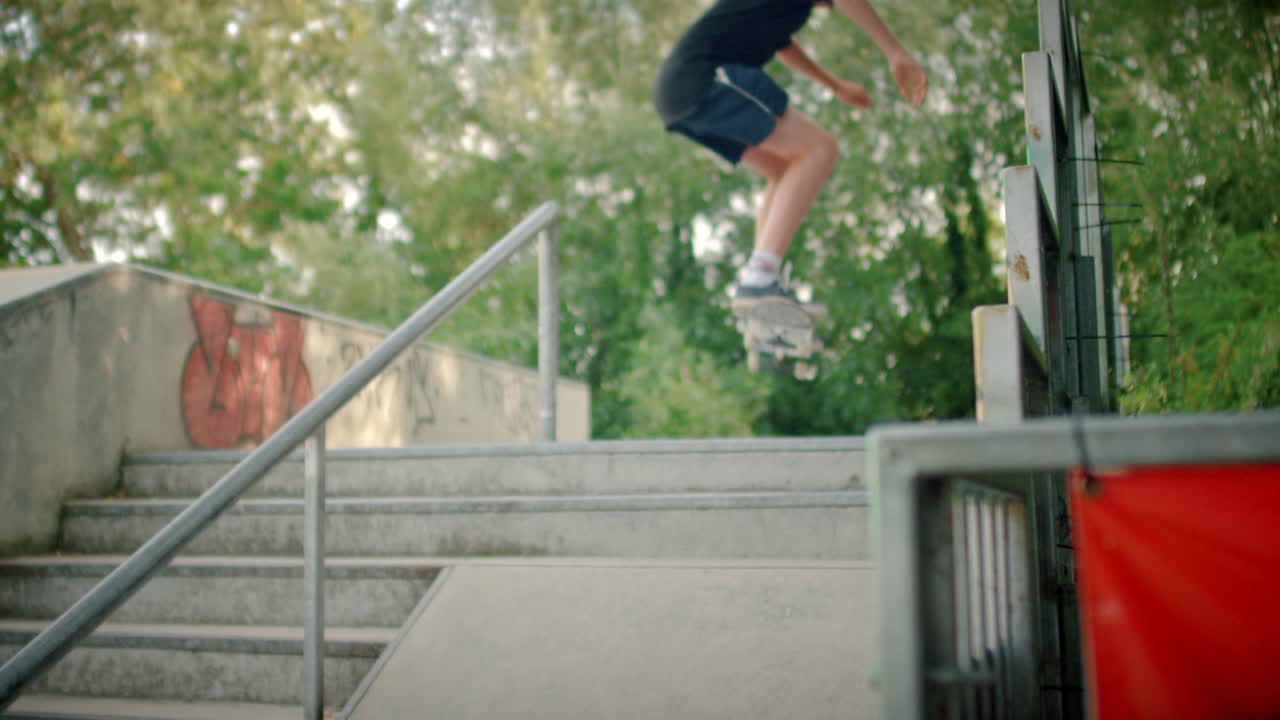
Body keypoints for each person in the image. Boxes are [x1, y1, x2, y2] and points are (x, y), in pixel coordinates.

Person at [653, 0, 928, 312]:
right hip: (704, 79)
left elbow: (784, 47)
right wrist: (894, 51)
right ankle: (759, 280)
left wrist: (834, 85)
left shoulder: (787, 8)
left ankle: (757, 293)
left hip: (679, 93)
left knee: (784, 169)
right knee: (820, 150)